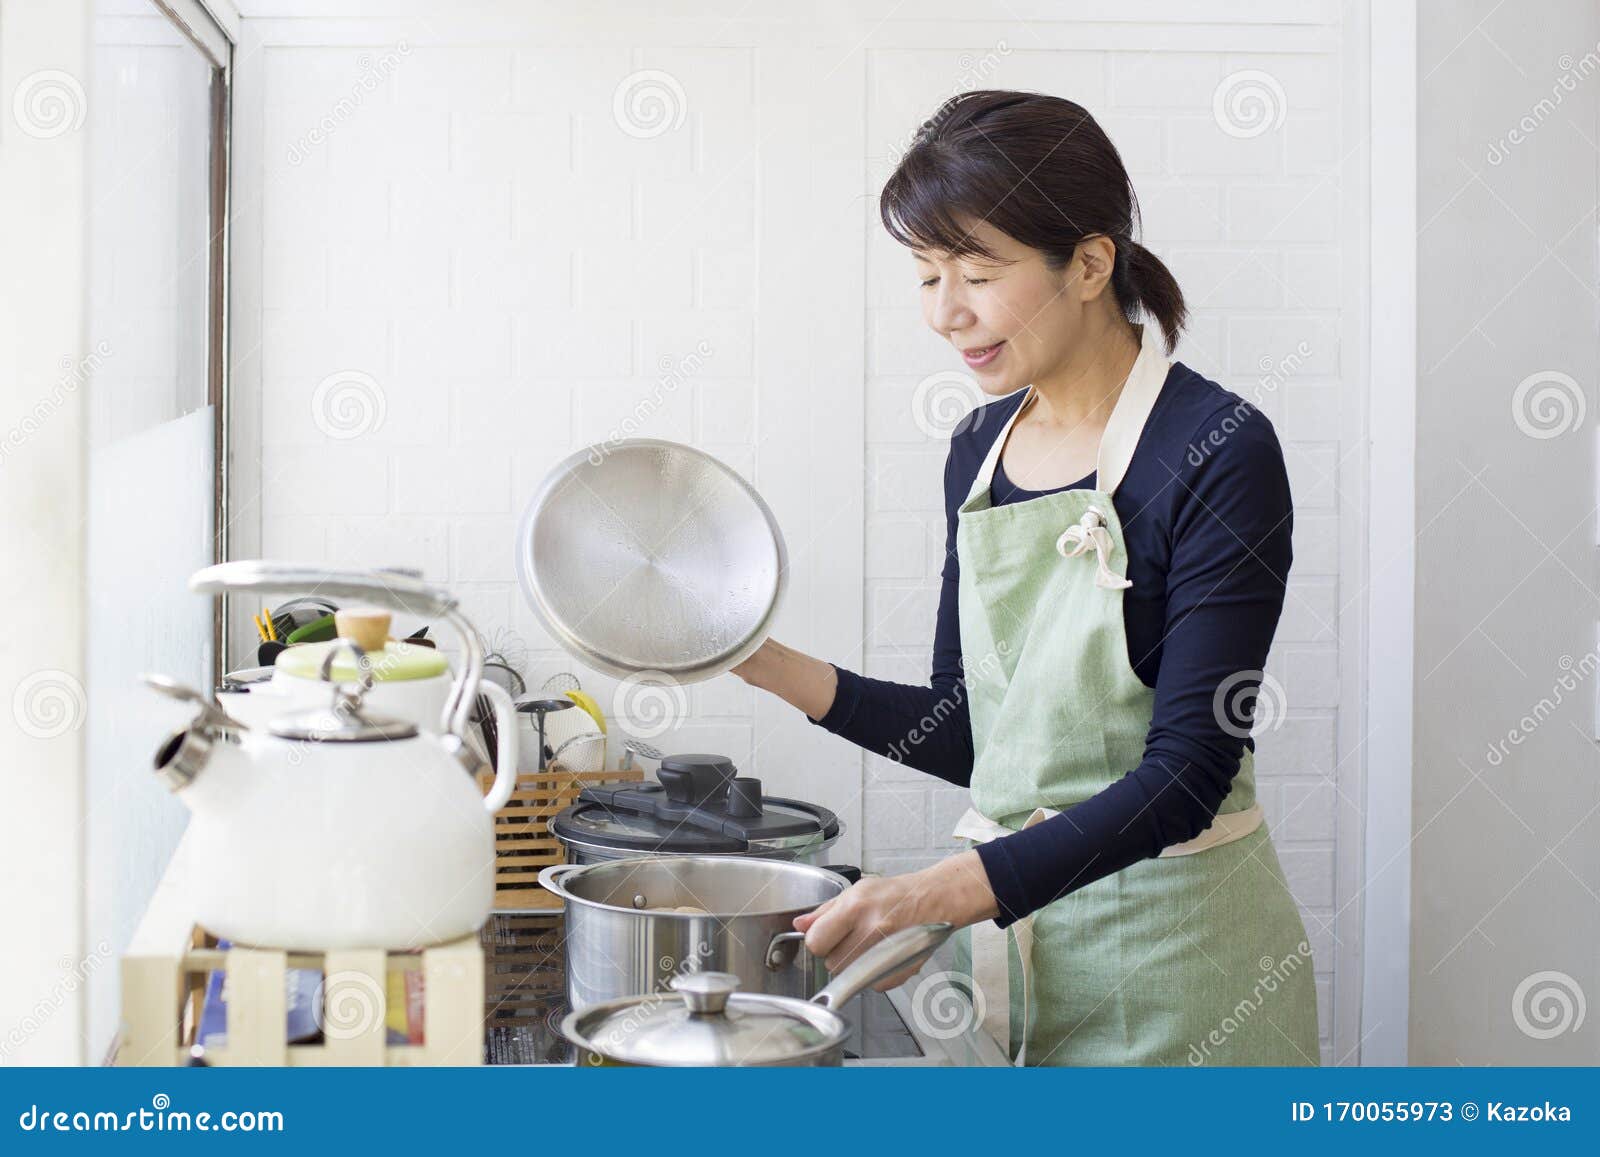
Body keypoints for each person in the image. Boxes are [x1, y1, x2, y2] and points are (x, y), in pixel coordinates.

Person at [732, 90, 1320, 1066]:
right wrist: (754, 658)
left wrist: (939, 891)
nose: (944, 312)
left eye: (975, 271)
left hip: (1180, 982)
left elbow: (1186, 776)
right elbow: (977, 734)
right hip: (1018, 959)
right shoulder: (978, 447)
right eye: (925, 275)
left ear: (1089, 263)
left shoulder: (1216, 449)